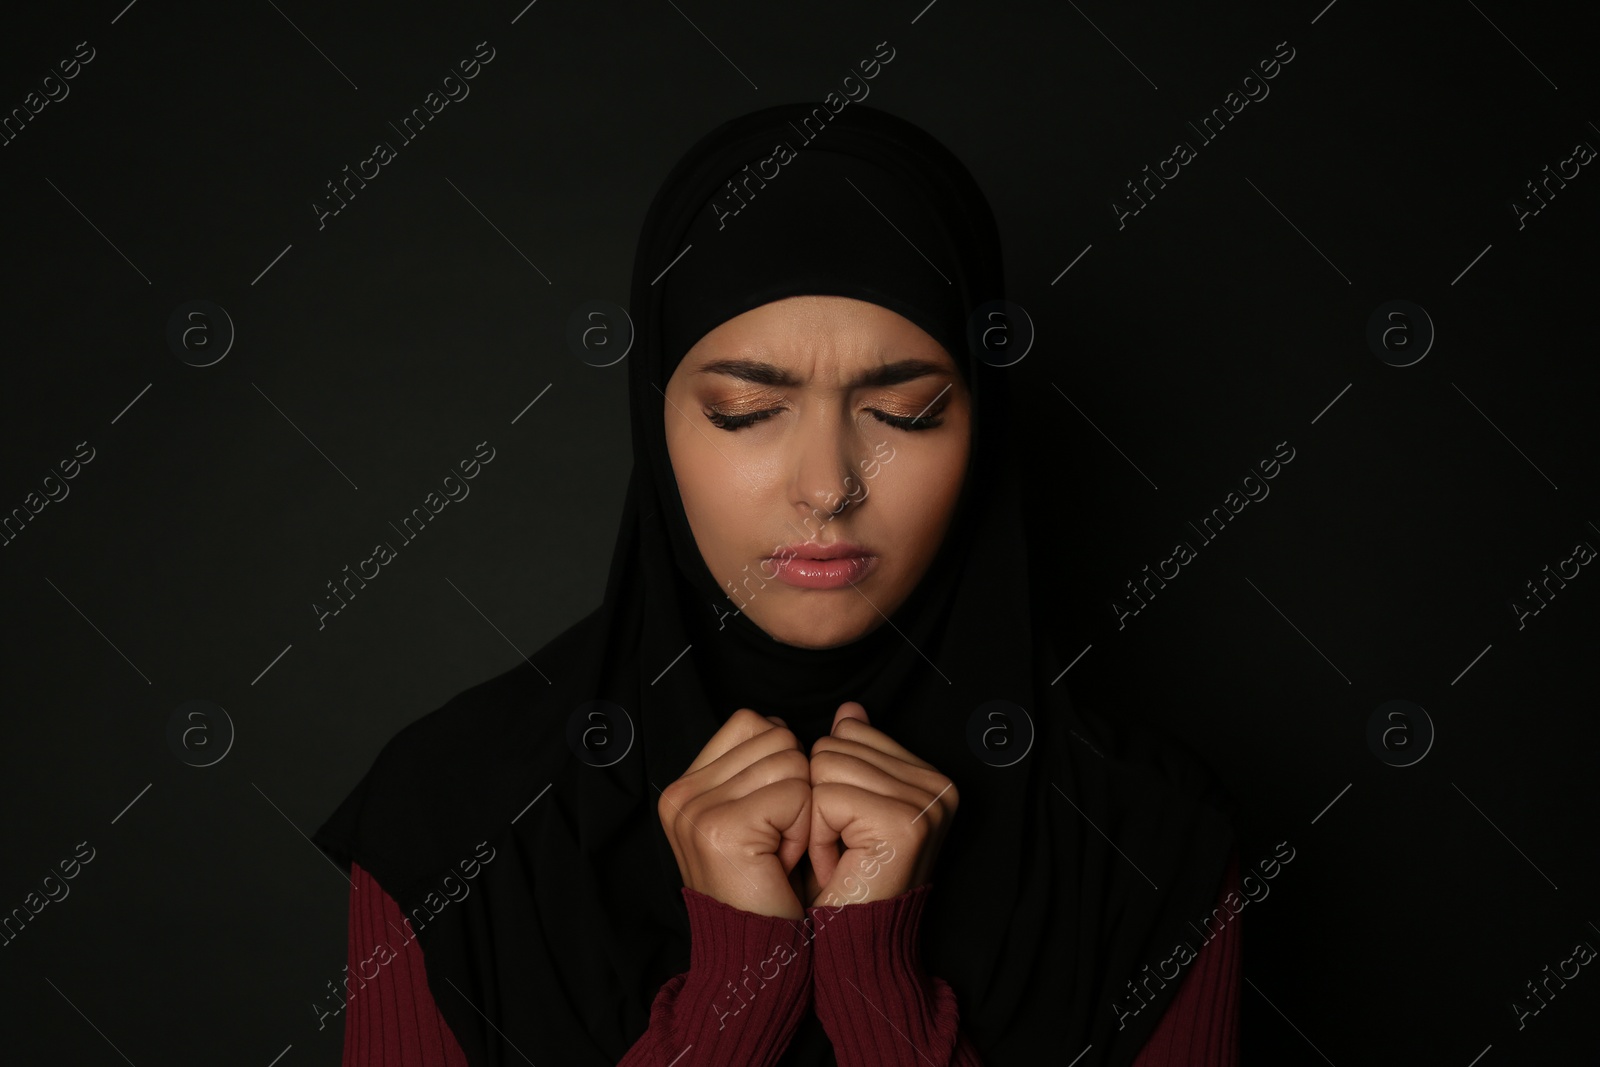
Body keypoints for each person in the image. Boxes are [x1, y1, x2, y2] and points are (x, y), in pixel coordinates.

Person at [312, 100, 1240, 1067]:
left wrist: (877, 987)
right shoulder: (454, 822)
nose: (828, 486)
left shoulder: (1152, 840)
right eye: (747, 410)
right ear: (655, 420)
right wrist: (732, 990)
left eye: (906, 412)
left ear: (984, 421)